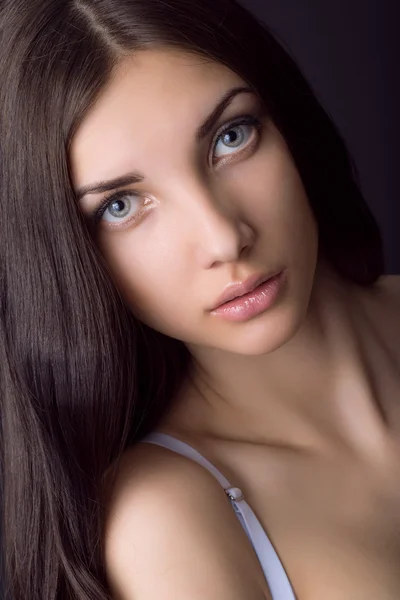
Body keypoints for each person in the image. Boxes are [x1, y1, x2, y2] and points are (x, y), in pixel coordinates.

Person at [0, 0, 399, 598]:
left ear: (288, 122)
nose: (222, 237)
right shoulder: (165, 521)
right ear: (65, 258)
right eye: (122, 206)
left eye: (230, 138)